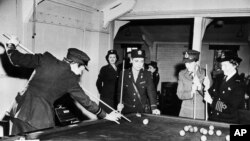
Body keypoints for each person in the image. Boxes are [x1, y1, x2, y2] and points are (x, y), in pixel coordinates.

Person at [5, 36, 121, 135]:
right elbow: (87, 102)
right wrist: (106, 115)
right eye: (82, 69)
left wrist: (11, 45)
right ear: (75, 64)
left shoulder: (46, 58)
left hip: (17, 110)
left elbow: (16, 59)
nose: (81, 73)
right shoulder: (71, 81)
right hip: (38, 120)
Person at [204, 51, 245, 124]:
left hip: (228, 123)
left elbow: (231, 108)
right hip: (213, 119)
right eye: (222, 65)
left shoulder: (239, 83)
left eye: (225, 65)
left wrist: (212, 102)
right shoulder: (219, 78)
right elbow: (209, 95)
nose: (222, 68)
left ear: (235, 65)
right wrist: (204, 86)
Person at [117, 49, 160, 115]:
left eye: (141, 61)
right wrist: (120, 103)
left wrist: (154, 108)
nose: (139, 64)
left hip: (142, 110)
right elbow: (120, 92)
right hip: (127, 110)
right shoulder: (124, 73)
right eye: (136, 61)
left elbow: (151, 92)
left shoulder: (147, 74)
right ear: (131, 60)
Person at [177, 50, 206, 119]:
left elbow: (210, 95)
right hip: (185, 110)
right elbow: (179, 94)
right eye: (186, 63)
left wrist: (199, 87)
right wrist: (191, 92)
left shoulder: (205, 73)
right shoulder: (181, 74)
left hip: (200, 110)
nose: (187, 66)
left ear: (196, 62)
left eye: (190, 63)